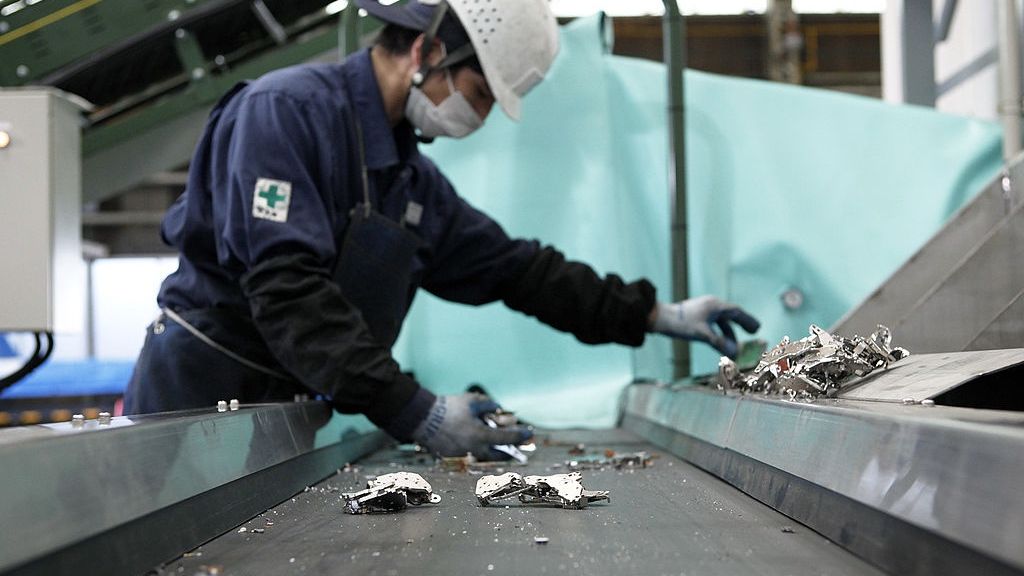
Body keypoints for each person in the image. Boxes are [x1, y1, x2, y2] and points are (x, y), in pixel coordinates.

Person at [124, 0, 760, 460]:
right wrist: (415, 411)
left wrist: (655, 313)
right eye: (480, 94)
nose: (481, 117)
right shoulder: (285, 113)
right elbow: (286, 288)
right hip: (200, 391)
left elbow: (519, 270)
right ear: (427, 51)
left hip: (284, 404)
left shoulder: (409, 183)